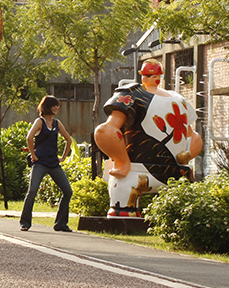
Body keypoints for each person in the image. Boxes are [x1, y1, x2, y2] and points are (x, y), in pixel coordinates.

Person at [94, 59, 202, 217]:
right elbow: (193, 137)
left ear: (142, 76)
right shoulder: (178, 100)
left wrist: (121, 160)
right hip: (176, 174)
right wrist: (186, 155)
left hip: (137, 172)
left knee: (123, 207)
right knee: (182, 216)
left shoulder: (131, 95)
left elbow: (107, 130)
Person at [19, 95, 74, 232]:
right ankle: (25, 222)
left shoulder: (57, 123)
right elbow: (29, 138)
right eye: (54, 105)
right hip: (40, 163)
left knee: (67, 191)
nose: (56, 108)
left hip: (54, 163)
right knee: (32, 191)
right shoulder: (40, 122)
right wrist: (33, 155)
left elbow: (69, 140)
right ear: (47, 107)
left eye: (57, 106)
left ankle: (60, 224)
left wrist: (63, 157)